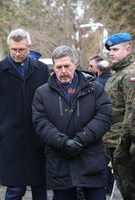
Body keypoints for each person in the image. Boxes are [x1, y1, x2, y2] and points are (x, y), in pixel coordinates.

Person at [32, 45, 112, 200]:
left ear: (75, 64)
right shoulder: (42, 93)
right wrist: (63, 142)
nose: (63, 71)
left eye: (67, 66)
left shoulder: (95, 89)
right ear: (53, 67)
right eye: (58, 67)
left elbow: (104, 117)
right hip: (60, 161)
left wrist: (81, 139)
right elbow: (40, 122)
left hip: (91, 160)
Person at [0, 28, 49, 200]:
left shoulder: (42, 70)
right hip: (10, 140)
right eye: (14, 49)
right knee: (15, 189)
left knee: (40, 188)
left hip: (38, 138)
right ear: (9, 47)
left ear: (29, 47)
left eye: (22, 49)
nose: (17, 53)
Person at [103, 32, 135, 200]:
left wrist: (124, 146)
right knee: (124, 191)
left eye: (115, 49)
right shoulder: (118, 73)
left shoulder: (130, 74)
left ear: (128, 49)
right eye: (110, 50)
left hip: (125, 146)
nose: (111, 53)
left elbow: (132, 113)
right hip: (115, 143)